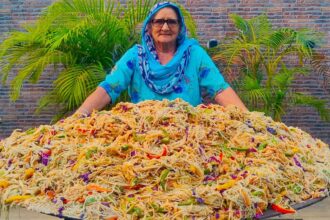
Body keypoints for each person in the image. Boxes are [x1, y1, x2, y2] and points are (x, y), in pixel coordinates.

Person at [76, 1, 247, 116]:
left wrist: (250, 119)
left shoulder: (194, 55)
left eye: (171, 22)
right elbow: (108, 88)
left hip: (189, 136)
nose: (165, 27)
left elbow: (220, 89)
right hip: (143, 135)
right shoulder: (136, 57)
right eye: (159, 22)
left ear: (180, 27)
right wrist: (80, 115)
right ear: (149, 27)